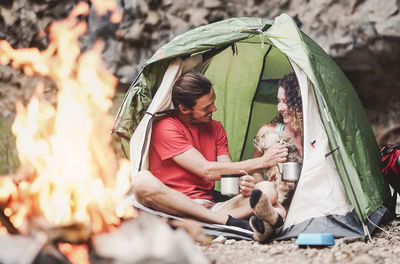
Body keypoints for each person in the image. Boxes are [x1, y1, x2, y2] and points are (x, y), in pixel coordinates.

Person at [132, 71, 288, 240]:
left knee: (268, 190)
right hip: (172, 207)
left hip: (210, 207)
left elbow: (228, 174)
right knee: (141, 182)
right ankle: (232, 223)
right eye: (206, 107)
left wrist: (241, 183)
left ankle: (259, 225)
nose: (214, 109)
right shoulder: (166, 127)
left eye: (213, 102)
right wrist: (262, 161)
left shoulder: (216, 128)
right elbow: (206, 170)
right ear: (184, 109)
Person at [250, 73, 303, 239]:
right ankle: (271, 220)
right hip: (276, 198)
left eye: (286, 102)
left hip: (305, 201)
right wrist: (265, 182)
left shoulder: (315, 134)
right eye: (279, 101)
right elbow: (256, 169)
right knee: (275, 204)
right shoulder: (269, 132)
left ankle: (265, 228)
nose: (280, 108)